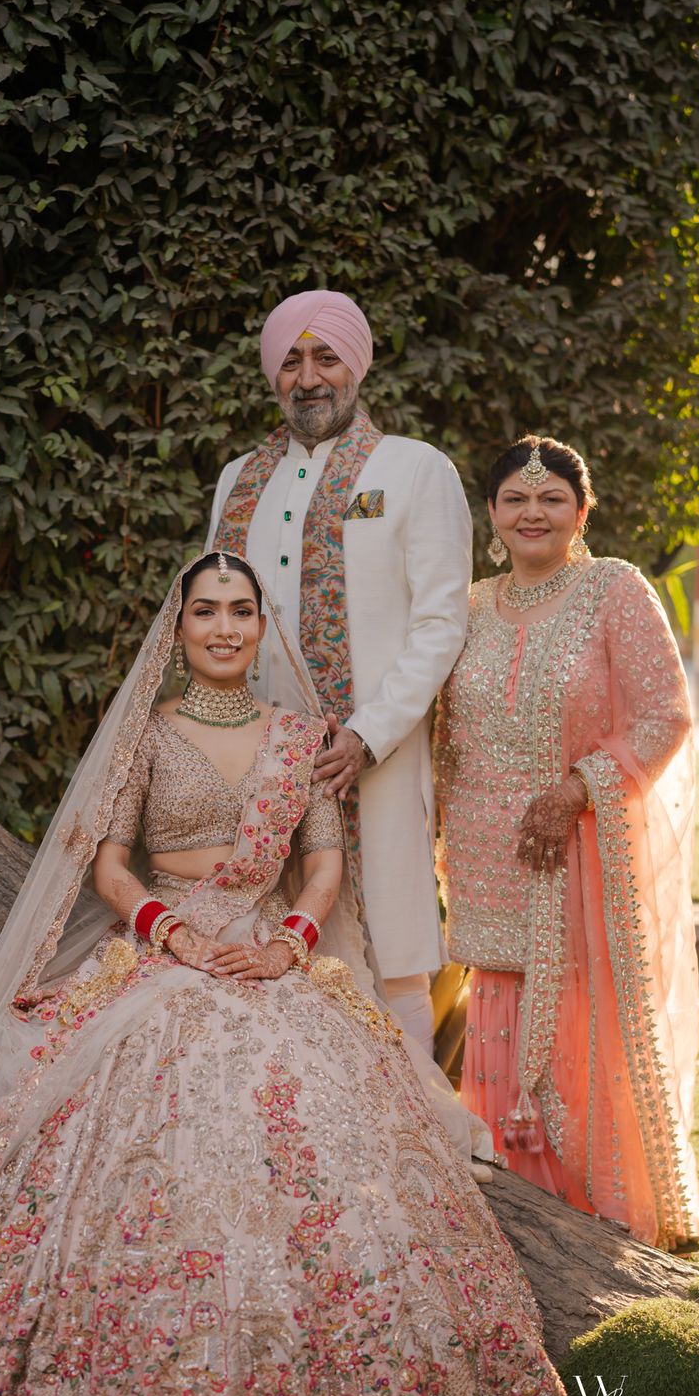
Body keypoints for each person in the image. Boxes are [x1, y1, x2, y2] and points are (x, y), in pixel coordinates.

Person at [0, 552, 571, 1396]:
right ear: (178, 629)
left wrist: (288, 946)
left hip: (268, 951)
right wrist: (172, 932)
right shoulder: (146, 735)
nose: (225, 628)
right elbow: (110, 867)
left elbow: (322, 866)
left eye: (240, 611)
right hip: (165, 946)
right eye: (206, 612)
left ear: (261, 626)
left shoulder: (302, 737)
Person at [434, 436, 699, 1251]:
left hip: (577, 853)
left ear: (581, 512)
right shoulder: (467, 605)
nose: (533, 513)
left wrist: (577, 789)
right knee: (496, 1012)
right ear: (491, 512)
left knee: (579, 1015)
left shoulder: (613, 589)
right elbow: (441, 729)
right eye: (516, 498)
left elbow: (665, 715)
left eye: (552, 498)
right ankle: (512, 1207)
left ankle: (595, 1207)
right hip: (483, 856)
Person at [208, 290, 473, 1059]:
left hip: (375, 757)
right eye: (291, 361)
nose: (308, 377)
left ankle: (419, 1117)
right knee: (262, 946)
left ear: (355, 364)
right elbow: (212, 617)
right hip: (258, 764)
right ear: (273, 375)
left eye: (325, 357)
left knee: (395, 958)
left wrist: (367, 733)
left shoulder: (415, 469)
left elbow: (440, 623)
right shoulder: (237, 481)